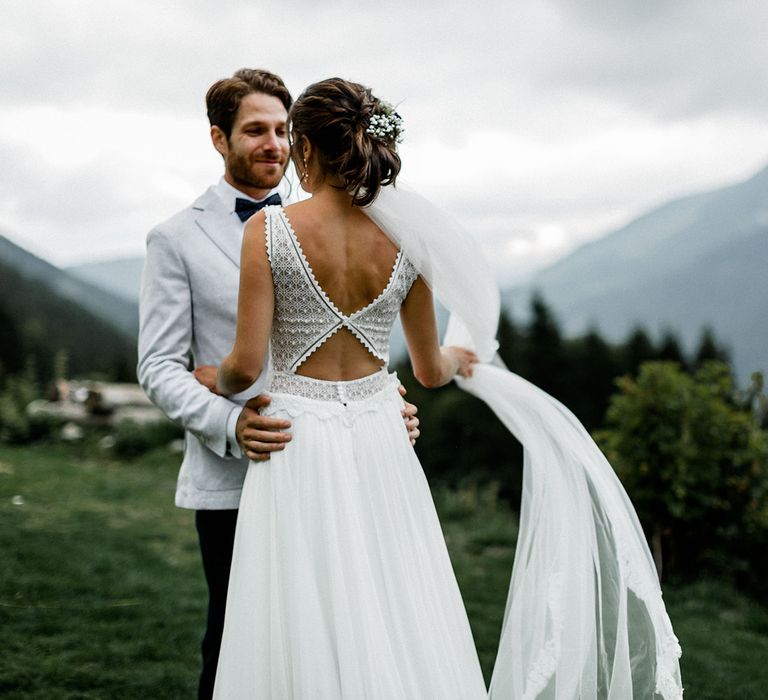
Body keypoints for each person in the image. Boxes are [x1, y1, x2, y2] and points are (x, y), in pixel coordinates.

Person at [198, 78, 684, 699]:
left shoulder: (267, 232)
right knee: (395, 596)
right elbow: (428, 370)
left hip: (296, 439)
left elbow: (244, 366)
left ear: (307, 151)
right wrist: (463, 355)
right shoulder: (408, 240)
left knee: (302, 603)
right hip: (381, 432)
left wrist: (216, 377)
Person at [137, 69, 421, 700]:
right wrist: (231, 424)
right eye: (254, 131)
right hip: (235, 478)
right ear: (219, 139)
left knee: (346, 637)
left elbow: (355, 335)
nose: (272, 144)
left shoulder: (320, 223)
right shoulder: (175, 238)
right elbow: (157, 365)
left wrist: (379, 403)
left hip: (340, 471)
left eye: (280, 131)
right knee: (243, 648)